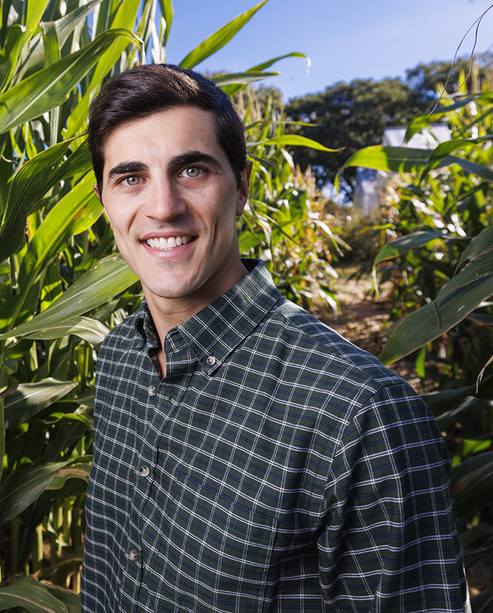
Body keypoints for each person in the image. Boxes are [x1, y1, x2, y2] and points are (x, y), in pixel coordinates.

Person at [80, 63, 467, 612]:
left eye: (191, 171)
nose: (161, 206)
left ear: (240, 188)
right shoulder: (118, 359)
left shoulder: (361, 416)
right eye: (131, 177)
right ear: (105, 202)